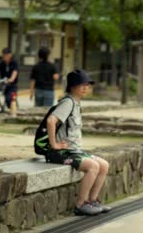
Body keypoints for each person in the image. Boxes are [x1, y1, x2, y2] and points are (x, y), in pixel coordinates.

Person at [45, 69, 111, 215]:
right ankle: (81, 204)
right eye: (82, 85)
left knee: (104, 165)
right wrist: (54, 145)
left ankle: (93, 201)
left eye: (88, 85)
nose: (86, 88)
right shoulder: (68, 102)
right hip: (61, 153)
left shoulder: (76, 103)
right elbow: (51, 121)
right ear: (73, 86)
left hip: (74, 151)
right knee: (93, 167)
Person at [0, 48, 18, 112]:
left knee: (9, 99)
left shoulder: (14, 63)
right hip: (3, 84)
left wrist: (10, 79)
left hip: (12, 85)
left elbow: (14, 73)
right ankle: (3, 109)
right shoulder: (2, 64)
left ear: (10, 55)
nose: (4, 56)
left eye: (6, 55)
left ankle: (11, 110)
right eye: (3, 55)